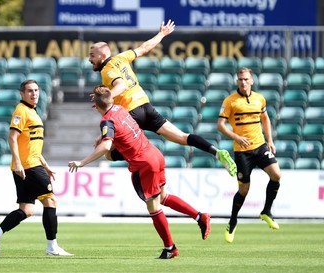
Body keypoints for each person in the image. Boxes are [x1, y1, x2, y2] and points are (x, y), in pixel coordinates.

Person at [68, 85, 211, 259]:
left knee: (154, 207)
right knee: (163, 197)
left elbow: (106, 145)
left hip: (144, 164)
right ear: (111, 100)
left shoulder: (106, 121)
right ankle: (200, 216)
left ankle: (170, 248)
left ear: (96, 107)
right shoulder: (120, 109)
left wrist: (82, 162)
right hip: (155, 154)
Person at [88, 19, 237, 177]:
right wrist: (161, 34)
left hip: (131, 114)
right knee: (181, 137)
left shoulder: (107, 70)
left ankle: (146, 156)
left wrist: (104, 97)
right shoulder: (121, 58)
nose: (89, 59)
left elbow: (121, 86)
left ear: (103, 55)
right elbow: (144, 48)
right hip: (145, 106)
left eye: (92, 55)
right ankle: (216, 152)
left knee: (108, 154)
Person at [0, 80, 73, 256]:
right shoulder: (21, 111)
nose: (34, 94)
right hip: (28, 166)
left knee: (27, 210)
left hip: (29, 165)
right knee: (51, 201)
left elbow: (31, 143)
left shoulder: (32, 111)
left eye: (36, 90)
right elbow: (12, 138)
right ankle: (52, 247)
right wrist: (18, 163)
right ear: (22, 94)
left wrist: (45, 165)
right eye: (30, 91)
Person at [217, 67, 282, 243]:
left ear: (251, 81)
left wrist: (270, 140)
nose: (243, 82)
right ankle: (232, 221)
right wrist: (236, 136)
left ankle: (266, 211)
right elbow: (220, 125)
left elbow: (265, 118)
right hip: (242, 152)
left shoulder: (259, 99)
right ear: (237, 81)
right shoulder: (230, 101)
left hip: (260, 146)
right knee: (244, 189)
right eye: (240, 79)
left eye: (246, 79)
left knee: (276, 175)